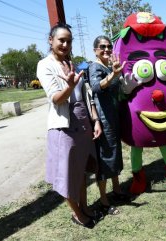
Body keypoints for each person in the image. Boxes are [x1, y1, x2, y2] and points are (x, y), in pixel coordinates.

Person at [36, 23, 100, 228]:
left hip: (83, 124)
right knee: (66, 174)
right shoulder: (45, 65)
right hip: (64, 126)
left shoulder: (70, 63)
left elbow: (86, 94)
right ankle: (77, 213)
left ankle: (85, 207)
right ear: (50, 40)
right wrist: (70, 86)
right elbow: (56, 98)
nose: (65, 44)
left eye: (68, 41)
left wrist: (95, 120)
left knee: (81, 170)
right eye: (61, 40)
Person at [89, 35, 130, 215]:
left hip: (114, 118)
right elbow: (97, 87)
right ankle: (104, 201)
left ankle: (117, 190)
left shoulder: (109, 66)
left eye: (109, 47)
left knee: (114, 155)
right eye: (102, 47)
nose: (106, 49)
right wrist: (114, 74)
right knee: (106, 159)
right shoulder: (94, 67)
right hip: (103, 121)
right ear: (95, 50)